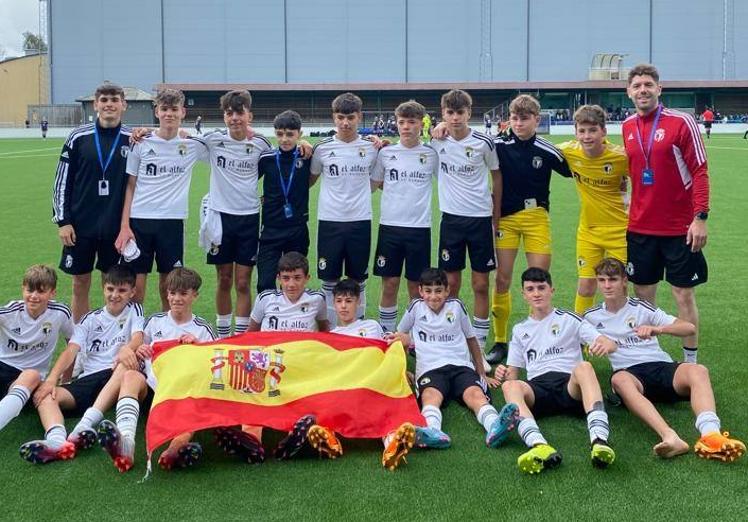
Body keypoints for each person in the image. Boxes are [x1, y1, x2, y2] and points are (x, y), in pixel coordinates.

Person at [584, 258, 745, 462]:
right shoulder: (590, 316)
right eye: (602, 280)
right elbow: (574, 340)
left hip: (660, 366)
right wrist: (599, 345)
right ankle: (670, 437)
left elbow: (689, 328)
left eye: (613, 279)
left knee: (699, 371)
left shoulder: (641, 307)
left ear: (624, 280)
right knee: (619, 380)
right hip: (631, 374)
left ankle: (711, 435)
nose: (607, 285)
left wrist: (657, 329)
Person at [622, 64, 709, 363]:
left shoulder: (681, 122)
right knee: (644, 298)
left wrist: (700, 218)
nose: (642, 90)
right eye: (637, 86)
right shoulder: (627, 126)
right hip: (640, 228)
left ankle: (690, 362)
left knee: (683, 295)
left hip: (679, 229)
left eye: (648, 84)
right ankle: (649, 358)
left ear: (659, 89)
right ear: (629, 92)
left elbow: (699, 171)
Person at [493, 267, 617, 474]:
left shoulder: (569, 318)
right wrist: (503, 374)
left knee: (584, 367)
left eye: (541, 288)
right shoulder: (520, 329)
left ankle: (599, 440)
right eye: (530, 289)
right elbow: (513, 372)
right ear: (523, 294)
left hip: (570, 387)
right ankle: (539, 445)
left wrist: (605, 345)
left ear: (552, 290)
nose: (536, 293)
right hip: (538, 389)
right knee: (510, 386)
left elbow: (608, 342)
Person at [95, 267, 217, 472]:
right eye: (172, 293)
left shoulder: (202, 329)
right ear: (166, 293)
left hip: (181, 393)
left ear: (195, 295)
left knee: (194, 401)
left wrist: (198, 346)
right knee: (131, 376)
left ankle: (174, 451)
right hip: (153, 389)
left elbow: (215, 364)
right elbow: (140, 354)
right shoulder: (154, 322)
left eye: (183, 293)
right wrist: (140, 350)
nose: (176, 298)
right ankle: (126, 445)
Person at [19, 266, 144, 464]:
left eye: (121, 291)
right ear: (103, 288)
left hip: (114, 375)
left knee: (126, 365)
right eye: (110, 289)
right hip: (89, 378)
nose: (114, 295)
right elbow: (71, 350)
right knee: (44, 396)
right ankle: (57, 441)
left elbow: (138, 336)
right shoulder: (89, 319)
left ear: (132, 292)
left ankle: (83, 426)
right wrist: (52, 380)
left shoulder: (134, 310)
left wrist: (126, 348)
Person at [388, 268, 518, 451]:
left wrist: (481, 373)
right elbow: (398, 337)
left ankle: (495, 426)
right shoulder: (415, 308)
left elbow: (471, 339)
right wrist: (402, 372)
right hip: (430, 369)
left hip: (461, 366)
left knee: (475, 394)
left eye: (439, 291)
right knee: (430, 396)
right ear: (420, 291)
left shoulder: (456, 306)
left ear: (447, 291)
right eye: (428, 291)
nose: (433, 296)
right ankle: (433, 432)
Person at [487, 94, 572, 364]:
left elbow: (578, 167)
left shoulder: (548, 149)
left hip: (536, 218)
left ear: (537, 119)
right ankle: (500, 341)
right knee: (502, 279)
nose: (519, 123)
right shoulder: (497, 144)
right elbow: (466, 145)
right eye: (514, 118)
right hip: (506, 220)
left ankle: (541, 335)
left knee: (540, 279)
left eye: (524, 118)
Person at [115, 88, 205, 310]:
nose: (169, 114)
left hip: (172, 222)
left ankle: (168, 335)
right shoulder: (141, 142)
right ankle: (135, 335)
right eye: (164, 109)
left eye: (174, 109)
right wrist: (124, 226)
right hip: (140, 221)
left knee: (170, 286)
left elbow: (226, 142)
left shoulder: (193, 145)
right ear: (157, 111)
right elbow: (130, 185)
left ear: (183, 112)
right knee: (136, 287)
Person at [430, 90, 501, 361]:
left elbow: (497, 177)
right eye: (450, 113)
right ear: (443, 114)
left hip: (480, 221)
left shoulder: (484, 142)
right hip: (451, 220)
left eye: (460, 113)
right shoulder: (437, 142)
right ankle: (451, 334)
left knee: (481, 283)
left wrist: (495, 217)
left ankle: (479, 343)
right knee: (451, 282)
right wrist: (438, 129)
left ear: (470, 113)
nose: (455, 118)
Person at [52, 82, 131, 323]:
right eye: (104, 100)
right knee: (80, 283)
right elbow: (61, 181)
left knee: (114, 285)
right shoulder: (78, 137)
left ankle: (110, 338)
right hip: (80, 226)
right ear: (96, 105)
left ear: (123, 105)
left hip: (115, 228)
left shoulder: (133, 139)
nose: (109, 104)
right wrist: (63, 221)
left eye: (114, 100)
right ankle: (80, 341)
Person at [200, 90, 271, 337]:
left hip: (249, 218)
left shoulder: (261, 144)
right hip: (219, 217)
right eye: (229, 113)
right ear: (224, 117)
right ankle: (222, 335)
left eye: (239, 112)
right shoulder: (212, 140)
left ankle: (241, 337)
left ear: (249, 115)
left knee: (243, 281)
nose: (234, 118)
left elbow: (271, 167)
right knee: (224, 278)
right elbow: (182, 141)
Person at [330, 278, 415, 471]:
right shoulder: (331, 335)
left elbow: (391, 349)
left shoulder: (371, 326)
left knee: (384, 403)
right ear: (333, 303)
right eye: (340, 301)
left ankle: (392, 445)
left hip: (370, 381)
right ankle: (329, 438)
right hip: (346, 383)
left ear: (358, 302)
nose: (344, 306)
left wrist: (403, 370)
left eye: (349, 301)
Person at [310, 92, 378, 325]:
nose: (345, 123)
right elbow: (310, 180)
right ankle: (330, 330)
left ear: (359, 116)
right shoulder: (321, 149)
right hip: (330, 222)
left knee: (358, 279)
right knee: (329, 280)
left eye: (350, 117)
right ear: (334, 118)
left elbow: (376, 183)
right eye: (340, 117)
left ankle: (357, 330)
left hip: (360, 221)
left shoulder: (372, 148)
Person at [371, 100, 438, 332]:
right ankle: (386, 334)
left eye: (412, 122)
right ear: (396, 124)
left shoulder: (431, 154)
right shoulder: (386, 153)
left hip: (419, 228)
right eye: (402, 122)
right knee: (389, 284)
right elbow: (375, 184)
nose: (406, 127)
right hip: (390, 227)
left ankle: (413, 335)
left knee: (415, 286)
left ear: (422, 124)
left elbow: (449, 180)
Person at [557, 105, 629, 314]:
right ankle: (581, 335)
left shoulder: (621, 157)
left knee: (618, 287)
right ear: (576, 132)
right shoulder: (568, 151)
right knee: (586, 286)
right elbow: (540, 149)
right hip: (588, 231)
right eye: (582, 131)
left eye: (592, 130)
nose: (587, 136)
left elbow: (648, 180)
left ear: (604, 132)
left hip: (620, 231)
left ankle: (620, 334)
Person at [0, 266, 73, 433]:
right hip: (3, 366)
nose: (33, 296)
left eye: (40, 291)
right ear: (23, 289)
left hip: (29, 381)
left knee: (32, 374)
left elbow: (72, 344)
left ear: (52, 293)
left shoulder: (60, 313)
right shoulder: (11, 311)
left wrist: (67, 379)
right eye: (29, 290)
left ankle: (56, 437)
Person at [256, 110, 313, 294]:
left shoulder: (307, 156)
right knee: (265, 284)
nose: (285, 139)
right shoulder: (266, 159)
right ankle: (268, 322)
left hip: (297, 229)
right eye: (280, 134)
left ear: (299, 134)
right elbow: (245, 182)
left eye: (290, 134)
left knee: (293, 284)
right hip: (270, 229)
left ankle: (292, 321)